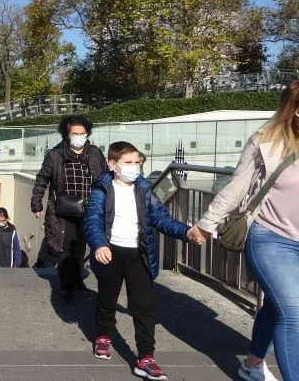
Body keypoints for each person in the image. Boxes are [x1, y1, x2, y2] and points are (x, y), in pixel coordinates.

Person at [191, 80, 299, 381]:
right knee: (294, 314)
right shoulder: (265, 141)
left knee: (278, 306)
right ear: (292, 109)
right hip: (270, 237)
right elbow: (237, 186)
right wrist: (207, 223)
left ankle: (252, 365)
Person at [84, 141, 205, 380]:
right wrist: (98, 244)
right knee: (107, 298)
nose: (134, 167)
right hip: (110, 251)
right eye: (128, 163)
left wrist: (186, 231)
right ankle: (103, 335)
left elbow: (161, 218)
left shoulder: (144, 188)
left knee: (144, 306)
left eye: (138, 162)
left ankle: (145, 358)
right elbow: (93, 220)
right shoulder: (101, 189)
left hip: (138, 253)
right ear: (112, 164)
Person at [31, 115, 107, 300]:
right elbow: (42, 179)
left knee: (81, 245)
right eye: (75, 133)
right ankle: (66, 284)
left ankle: (78, 277)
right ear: (67, 134)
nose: (79, 136)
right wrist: (36, 203)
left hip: (90, 208)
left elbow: (105, 177)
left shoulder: (95, 153)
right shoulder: (55, 155)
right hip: (64, 210)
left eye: (82, 133)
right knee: (66, 247)